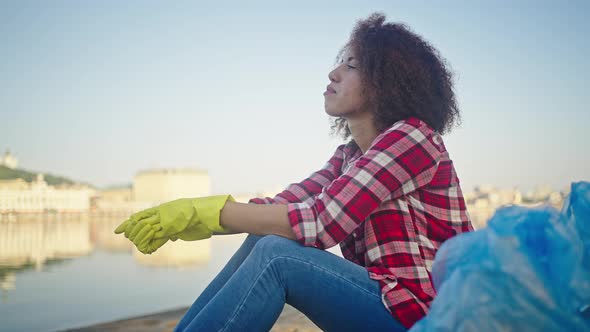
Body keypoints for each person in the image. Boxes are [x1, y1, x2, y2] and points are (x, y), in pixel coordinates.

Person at [115, 12, 473, 331]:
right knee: (264, 237)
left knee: (278, 256)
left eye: (351, 65)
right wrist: (190, 216)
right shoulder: (348, 157)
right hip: (391, 306)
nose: (333, 73)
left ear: (387, 80)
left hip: (432, 317)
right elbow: (285, 206)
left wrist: (205, 213)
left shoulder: (412, 138)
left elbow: (321, 222)